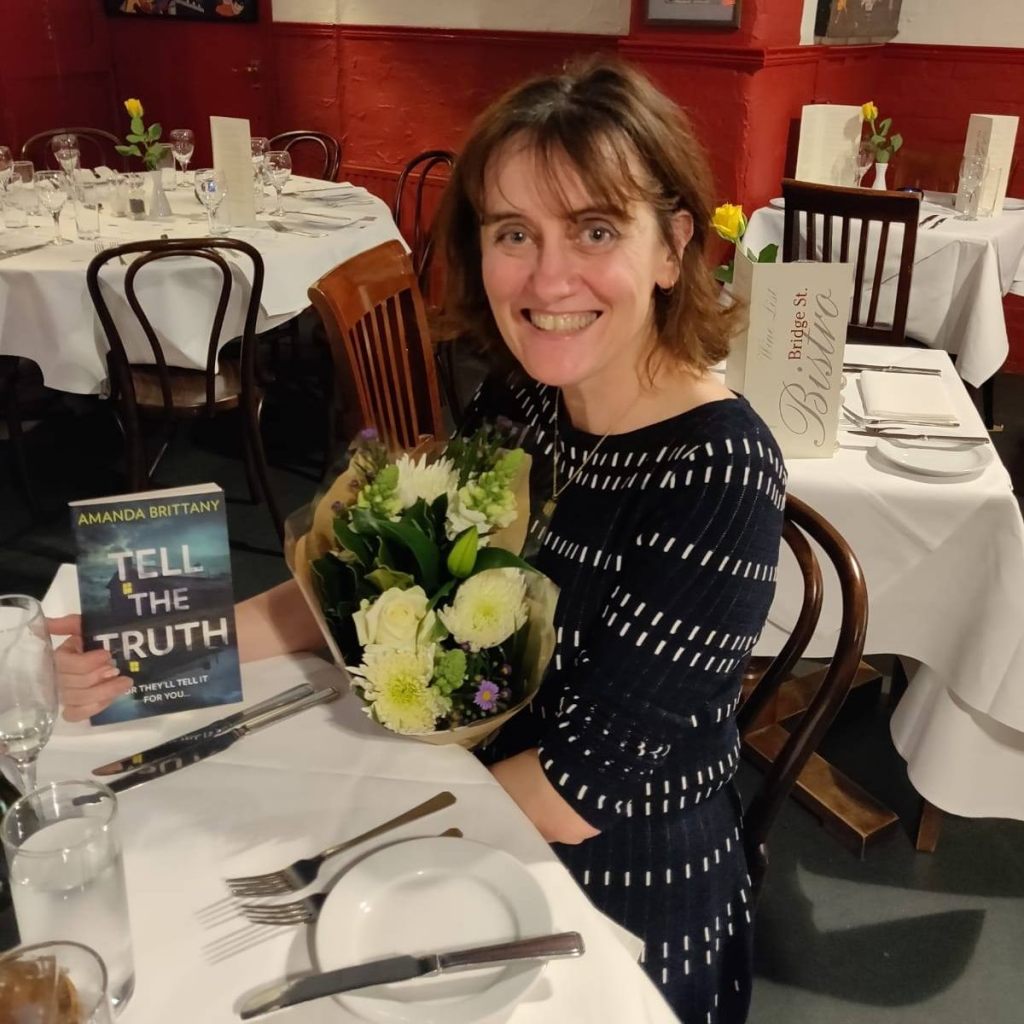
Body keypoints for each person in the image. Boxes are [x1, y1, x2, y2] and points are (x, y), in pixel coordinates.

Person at [51, 58, 784, 1023]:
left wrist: (322, 836)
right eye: (513, 232)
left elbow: (577, 792)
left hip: (617, 883)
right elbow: (369, 577)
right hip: (463, 787)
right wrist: (176, 645)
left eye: (596, 229)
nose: (549, 276)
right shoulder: (523, 398)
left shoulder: (719, 476)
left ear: (672, 245)